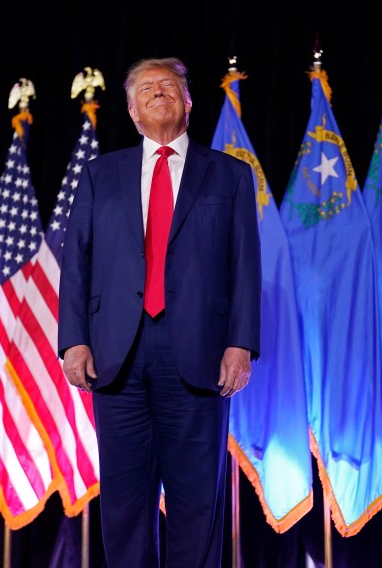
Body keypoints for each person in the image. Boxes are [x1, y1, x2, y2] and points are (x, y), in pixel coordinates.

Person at [57, 56, 262, 567]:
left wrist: (241, 343)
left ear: (188, 103)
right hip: (116, 355)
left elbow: (246, 265)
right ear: (131, 110)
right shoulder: (101, 174)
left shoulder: (230, 175)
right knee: (125, 504)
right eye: (146, 87)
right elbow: (76, 261)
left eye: (169, 85)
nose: (158, 92)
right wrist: (74, 339)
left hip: (199, 353)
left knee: (197, 503)